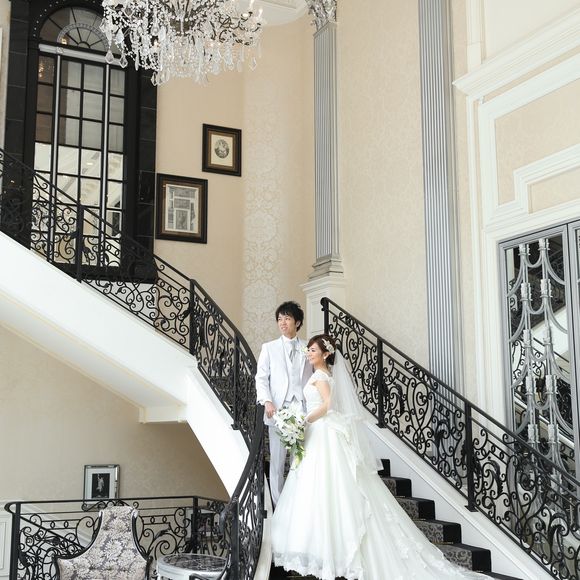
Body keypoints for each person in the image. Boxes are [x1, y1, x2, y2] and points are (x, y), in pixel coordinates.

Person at [271, 334, 490, 580]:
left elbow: (328, 404)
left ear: (326, 354)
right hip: (320, 432)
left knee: (327, 485)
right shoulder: (323, 375)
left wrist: (305, 419)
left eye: (313, 350)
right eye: (309, 350)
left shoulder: (321, 376)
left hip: (322, 429)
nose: (309, 353)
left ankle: (332, 553)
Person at [255, 301, 313, 506]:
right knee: (277, 462)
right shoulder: (269, 348)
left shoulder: (308, 347)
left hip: (304, 409)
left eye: (287, 318)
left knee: (301, 459)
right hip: (277, 410)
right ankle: (279, 505)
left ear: (297, 322)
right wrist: (267, 401)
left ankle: (299, 503)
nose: (282, 322)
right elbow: (261, 378)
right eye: (280, 319)